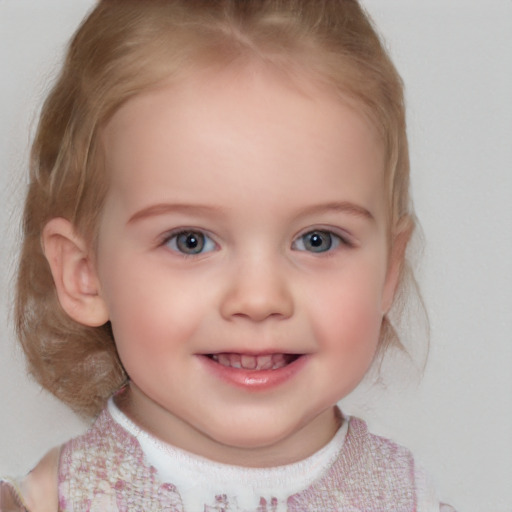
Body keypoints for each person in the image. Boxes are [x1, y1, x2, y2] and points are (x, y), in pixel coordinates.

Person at [0, 1, 456, 510]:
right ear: (85, 274)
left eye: (318, 239)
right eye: (190, 241)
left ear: (389, 270)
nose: (259, 299)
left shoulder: (411, 499)